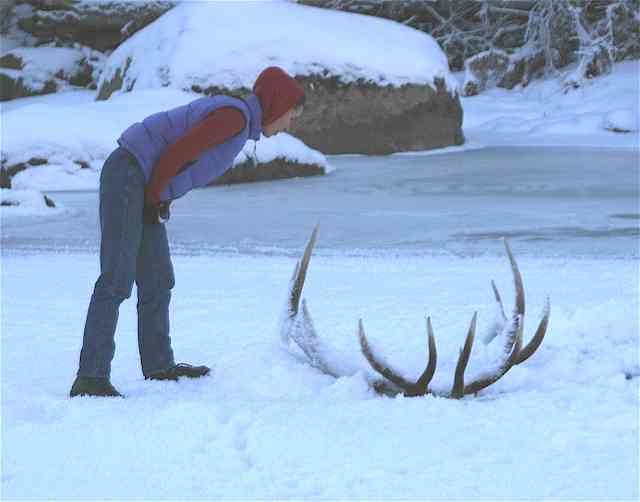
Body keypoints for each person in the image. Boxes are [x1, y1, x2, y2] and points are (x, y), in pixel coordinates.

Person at [70, 66, 306, 398]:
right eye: (290, 116)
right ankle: (90, 377)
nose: (289, 125)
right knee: (116, 277)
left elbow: (179, 163)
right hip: (129, 174)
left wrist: (158, 198)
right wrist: (154, 195)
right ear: (277, 105)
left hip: (143, 183)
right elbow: (178, 152)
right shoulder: (233, 118)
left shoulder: (237, 122)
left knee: (157, 278)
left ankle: (158, 365)